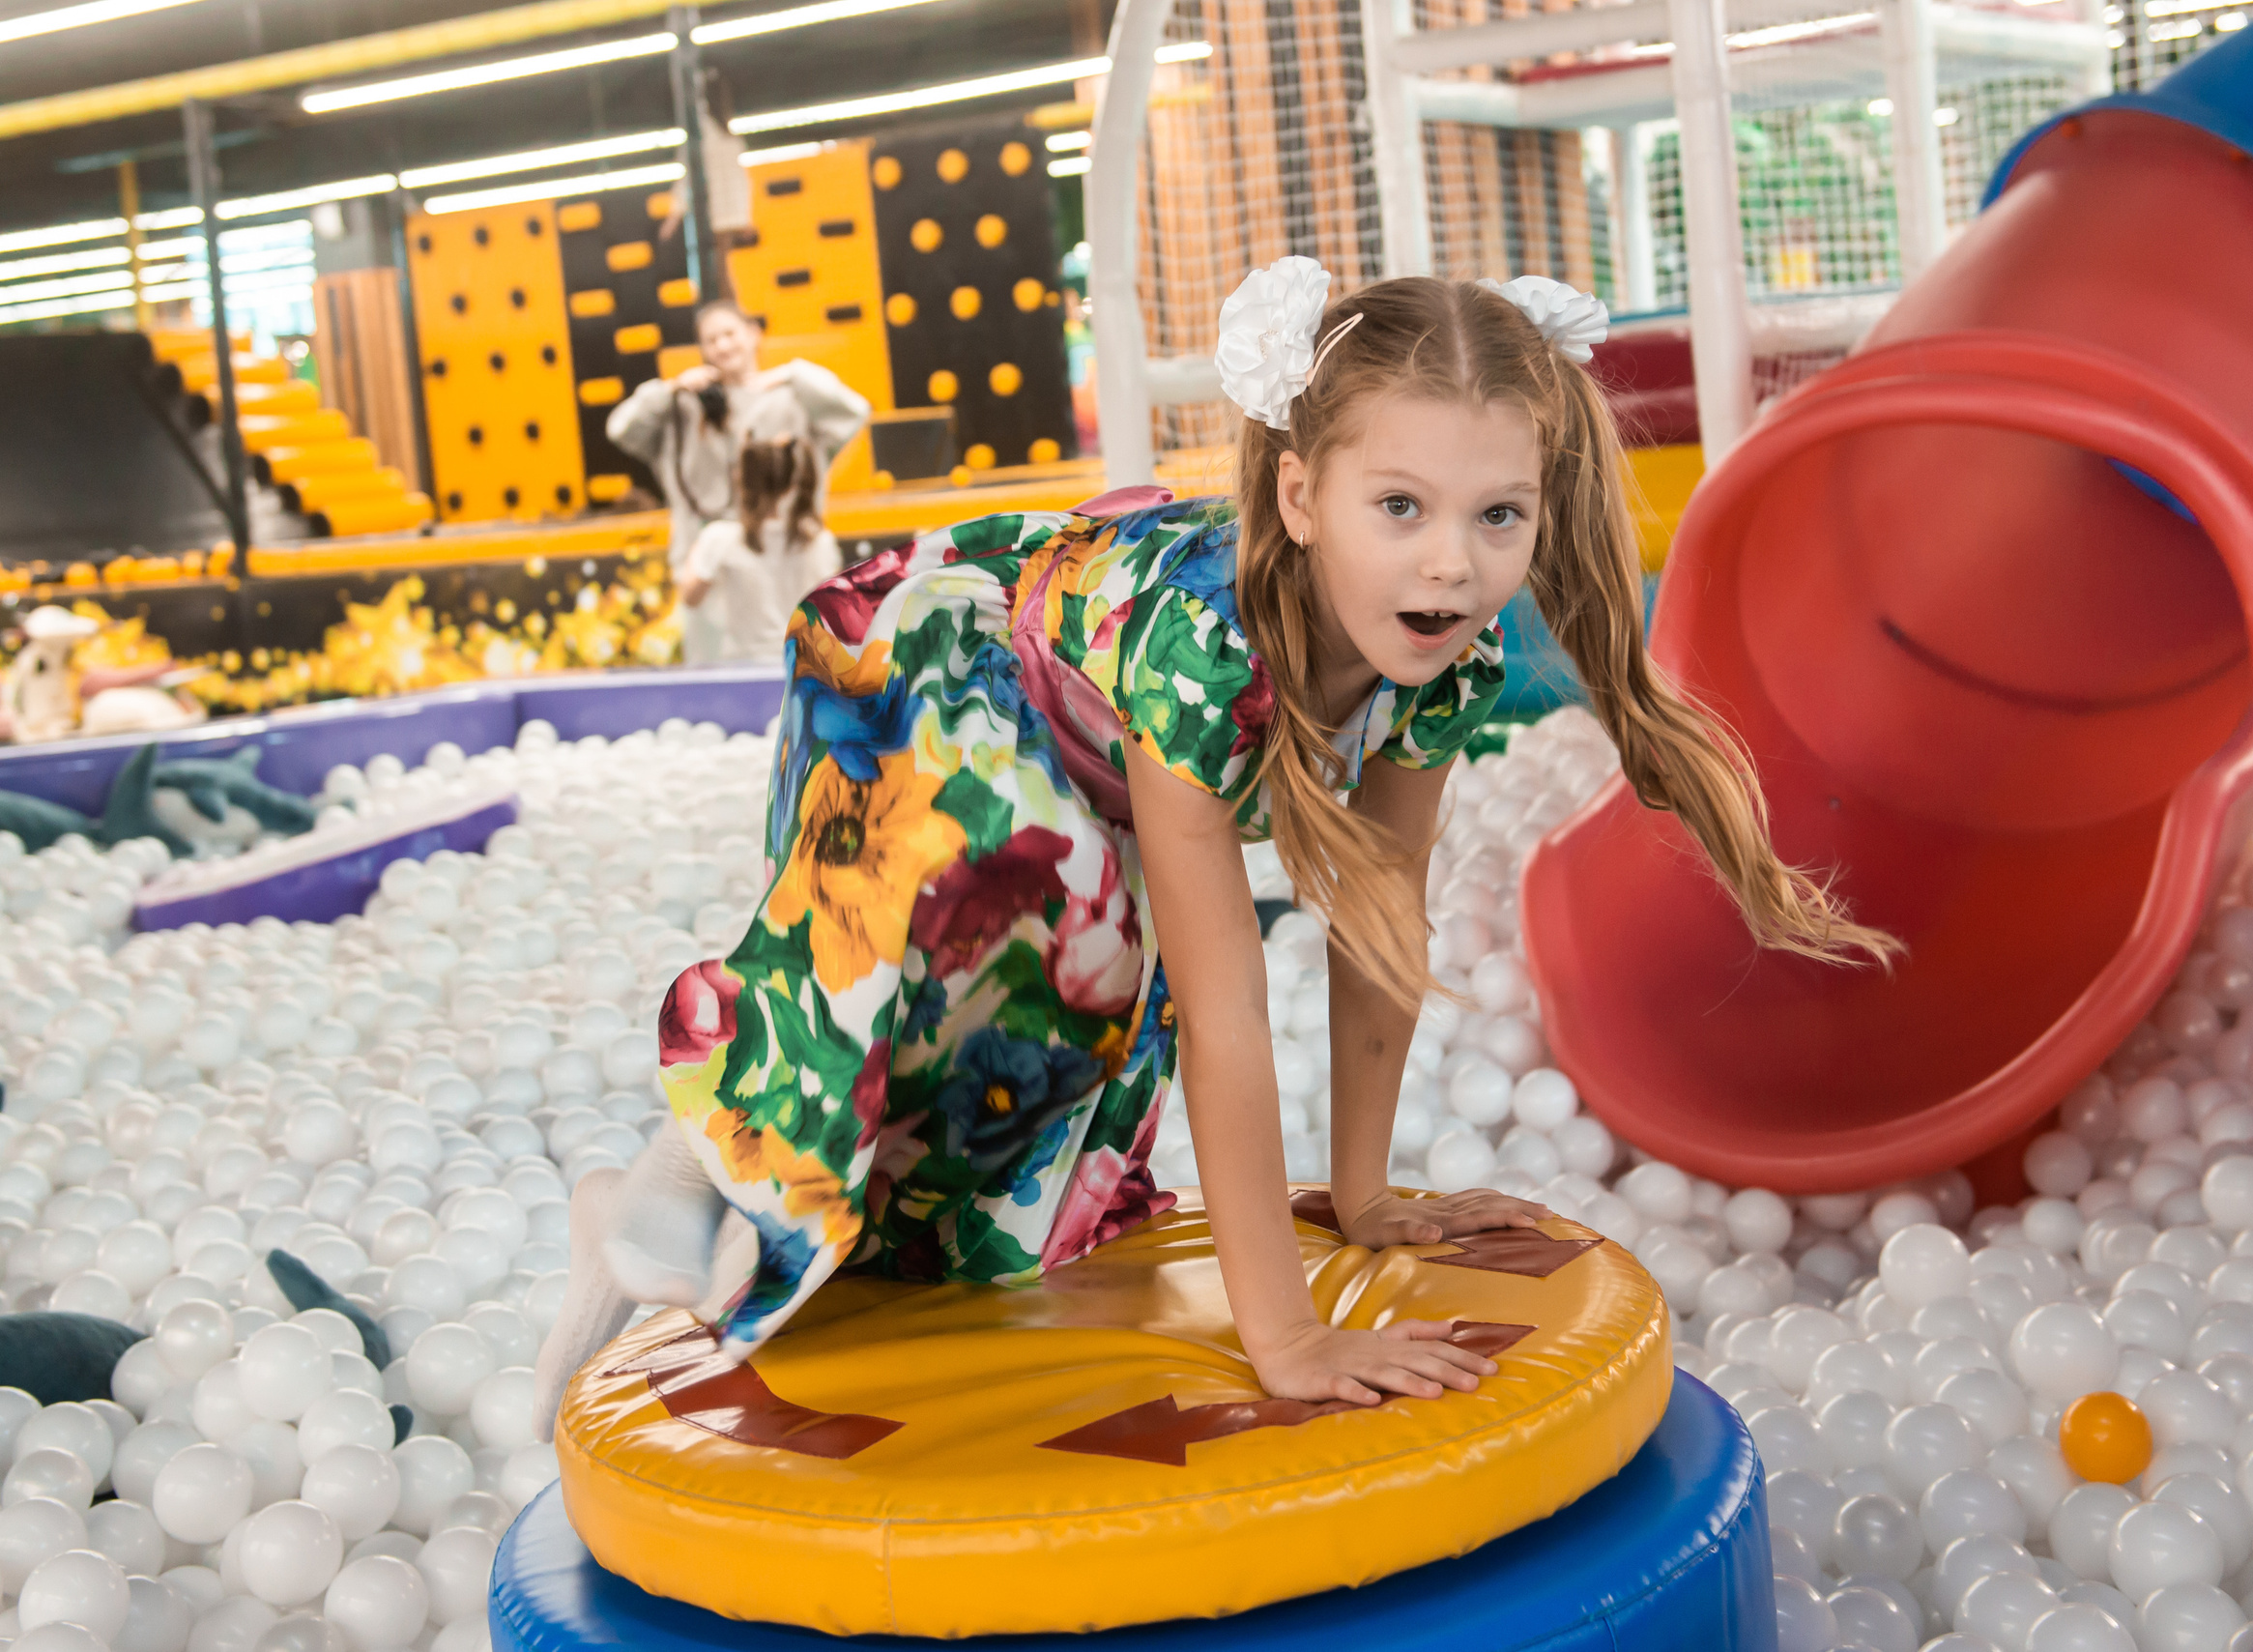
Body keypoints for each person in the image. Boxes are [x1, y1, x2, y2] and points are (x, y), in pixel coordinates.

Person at [535, 263, 1896, 1432]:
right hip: (946, 648)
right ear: (1301, 498)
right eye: (1401, 508)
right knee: (1025, 908)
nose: (1452, 569)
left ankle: (691, 1208)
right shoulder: (1211, 656)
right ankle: (679, 1154)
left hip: (1086, 747)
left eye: (1500, 516)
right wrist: (1286, 1338)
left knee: (1038, 1053)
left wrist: (1360, 1194)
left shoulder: (1441, 670)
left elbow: (1382, 932)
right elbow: (1227, 1011)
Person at [608, 301, 869, 664]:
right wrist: (669, 390)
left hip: (785, 563)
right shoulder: (684, 408)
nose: (722, 346)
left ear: (752, 335)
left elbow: (855, 411)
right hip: (710, 577)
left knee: (804, 666)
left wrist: (793, 373)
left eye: (729, 334)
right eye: (711, 340)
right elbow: (620, 429)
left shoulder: (792, 399)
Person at [678, 434, 843, 665]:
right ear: (789, 483)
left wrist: (696, 549)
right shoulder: (819, 541)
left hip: (744, 668)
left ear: (740, 481)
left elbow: (690, 597)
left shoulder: (719, 538)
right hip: (805, 670)